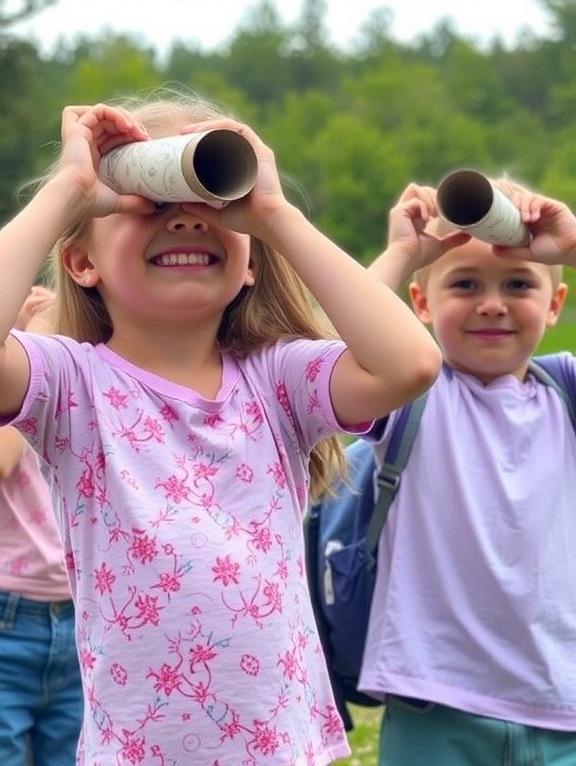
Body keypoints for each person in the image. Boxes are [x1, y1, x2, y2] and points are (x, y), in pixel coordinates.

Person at [0, 92, 441, 766]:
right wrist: (69, 190)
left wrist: (273, 214)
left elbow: (410, 363)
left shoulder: (277, 380)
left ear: (252, 261)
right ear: (82, 262)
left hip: (282, 751)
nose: (186, 219)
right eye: (150, 203)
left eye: (212, 204)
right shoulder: (71, 385)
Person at [363, 177, 576, 766]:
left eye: (518, 283)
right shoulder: (409, 390)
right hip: (433, 704)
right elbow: (330, 353)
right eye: (464, 283)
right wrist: (402, 252)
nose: (492, 304)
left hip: (564, 706)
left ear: (555, 305)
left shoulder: (566, 391)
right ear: (421, 302)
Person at [0, 287, 82, 766]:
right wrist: (36, 339)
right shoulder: (20, 365)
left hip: (79, 615)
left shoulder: (79, 369)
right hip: (9, 618)